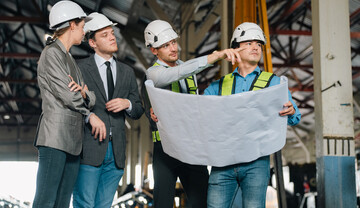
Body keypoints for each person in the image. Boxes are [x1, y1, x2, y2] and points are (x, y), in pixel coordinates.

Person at [143, 19, 242, 208]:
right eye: (165, 45)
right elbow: (177, 73)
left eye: (173, 42)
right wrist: (215, 56)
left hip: (191, 147)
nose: (173, 48)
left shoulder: (190, 72)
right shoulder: (153, 73)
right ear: (154, 50)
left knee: (202, 201)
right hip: (165, 149)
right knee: (162, 203)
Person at [204, 22, 301, 208]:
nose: (255, 47)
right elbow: (196, 110)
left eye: (258, 43)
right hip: (223, 161)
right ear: (234, 49)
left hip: (256, 162)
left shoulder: (274, 83)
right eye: (248, 43)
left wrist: (292, 110)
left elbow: (295, 117)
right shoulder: (218, 86)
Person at [72, 12, 144, 208]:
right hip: (89, 147)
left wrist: (127, 104)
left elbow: (138, 109)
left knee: (103, 206)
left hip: (117, 152)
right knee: (84, 204)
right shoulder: (80, 68)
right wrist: (89, 118)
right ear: (92, 43)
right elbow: (72, 104)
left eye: (112, 33)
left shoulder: (127, 72)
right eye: (105, 35)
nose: (112, 37)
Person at [33, 0, 97, 208]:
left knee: (61, 203)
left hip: (72, 139)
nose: (84, 30)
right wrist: (86, 98)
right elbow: (68, 96)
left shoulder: (70, 59)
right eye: (81, 25)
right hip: (55, 138)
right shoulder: (51, 54)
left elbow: (89, 96)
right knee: (46, 201)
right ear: (71, 25)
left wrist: (85, 94)